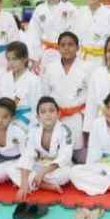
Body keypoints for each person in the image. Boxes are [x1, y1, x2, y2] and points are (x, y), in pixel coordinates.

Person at [8, 97, 74, 201]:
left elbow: (65, 157)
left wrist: (42, 173)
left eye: (51, 111)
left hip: (55, 169)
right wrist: (23, 185)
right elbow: (28, 155)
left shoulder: (65, 130)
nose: (48, 114)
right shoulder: (33, 131)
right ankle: (44, 185)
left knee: (67, 174)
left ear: (58, 114)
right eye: (43, 112)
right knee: (11, 168)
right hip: (39, 165)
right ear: (38, 117)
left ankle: (35, 183)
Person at [41, 32, 92, 161]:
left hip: (78, 117)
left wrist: (88, 123)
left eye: (70, 45)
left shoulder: (87, 67)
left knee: (80, 158)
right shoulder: (50, 68)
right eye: (63, 45)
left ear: (77, 47)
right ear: (58, 48)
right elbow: (45, 94)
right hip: (57, 117)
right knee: (57, 154)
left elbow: (92, 97)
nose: (66, 48)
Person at [27, 0, 77, 71]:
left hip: (65, 53)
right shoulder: (39, 9)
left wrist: (71, 53)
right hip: (45, 54)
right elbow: (33, 35)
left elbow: (75, 32)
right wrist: (34, 57)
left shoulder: (70, 8)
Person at [74, 0, 110, 68]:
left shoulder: (109, 14)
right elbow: (75, 37)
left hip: (102, 60)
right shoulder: (80, 12)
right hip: (82, 58)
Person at [2, 41, 41, 128]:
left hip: (26, 123)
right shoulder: (4, 78)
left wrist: (32, 128)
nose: (11, 63)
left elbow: (36, 108)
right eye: (8, 59)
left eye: (14, 59)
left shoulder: (34, 80)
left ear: (25, 58)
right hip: (5, 122)